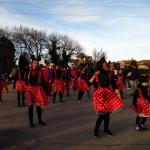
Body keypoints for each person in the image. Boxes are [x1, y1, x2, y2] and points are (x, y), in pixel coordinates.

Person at [88, 57, 124, 139]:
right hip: (99, 96)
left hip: (108, 94)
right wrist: (94, 75)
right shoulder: (96, 74)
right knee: (102, 115)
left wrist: (117, 92)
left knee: (107, 114)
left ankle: (106, 129)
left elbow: (113, 83)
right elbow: (89, 84)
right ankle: (96, 130)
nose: (106, 66)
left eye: (106, 65)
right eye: (104, 65)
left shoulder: (109, 73)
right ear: (100, 66)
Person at [25, 55, 50, 127]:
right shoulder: (28, 72)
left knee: (38, 106)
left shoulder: (39, 72)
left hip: (37, 90)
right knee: (30, 107)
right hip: (30, 90)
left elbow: (43, 82)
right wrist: (27, 87)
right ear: (32, 63)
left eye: (36, 63)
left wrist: (46, 91)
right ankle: (31, 121)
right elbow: (26, 81)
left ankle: (40, 120)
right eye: (34, 63)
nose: (35, 64)